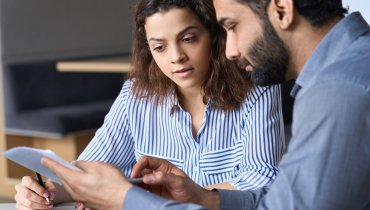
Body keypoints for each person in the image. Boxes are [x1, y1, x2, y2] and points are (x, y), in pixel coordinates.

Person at [41, 0, 370, 209]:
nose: (230, 50)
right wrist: (202, 197)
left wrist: (126, 198)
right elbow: (282, 201)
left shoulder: (337, 91)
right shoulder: (345, 73)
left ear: (282, 10)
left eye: (232, 27)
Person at [14, 0, 286, 209]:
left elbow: (263, 184)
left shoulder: (257, 88)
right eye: (160, 47)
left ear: (214, 35)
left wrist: (172, 197)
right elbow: (89, 170)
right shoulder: (136, 95)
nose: (176, 57)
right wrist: (45, 191)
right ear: (149, 50)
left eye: (189, 39)